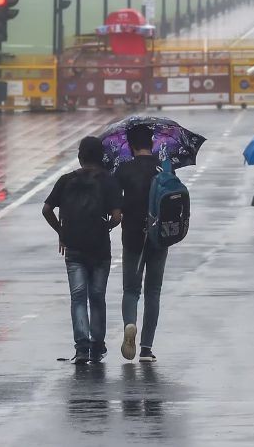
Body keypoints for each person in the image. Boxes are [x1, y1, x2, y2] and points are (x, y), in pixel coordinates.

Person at [42, 136, 122, 365]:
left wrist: (61, 232)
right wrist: (106, 226)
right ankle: (97, 346)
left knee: (78, 297)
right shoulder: (108, 181)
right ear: (101, 157)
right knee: (97, 297)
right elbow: (117, 216)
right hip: (100, 248)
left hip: (74, 247)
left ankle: (82, 348)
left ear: (80, 157)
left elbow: (46, 209)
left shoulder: (66, 180)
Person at [113, 125, 166, 363]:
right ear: (152, 143)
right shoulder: (163, 167)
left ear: (131, 146)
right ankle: (146, 348)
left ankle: (130, 324)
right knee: (153, 291)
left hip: (133, 235)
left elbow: (116, 205)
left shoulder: (124, 169)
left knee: (131, 290)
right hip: (159, 236)